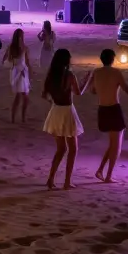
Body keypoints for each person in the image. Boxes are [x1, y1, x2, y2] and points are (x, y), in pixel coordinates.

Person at [89, 49, 128, 183]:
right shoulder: (116, 73)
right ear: (112, 59)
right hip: (113, 110)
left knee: (112, 143)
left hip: (102, 110)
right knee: (116, 145)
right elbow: (127, 90)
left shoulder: (96, 72)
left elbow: (93, 91)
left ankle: (100, 170)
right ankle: (108, 176)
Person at [42, 48, 86, 190]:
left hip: (56, 111)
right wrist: (87, 80)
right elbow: (78, 93)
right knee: (73, 148)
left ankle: (51, 179)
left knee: (61, 149)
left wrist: (54, 102)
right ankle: (67, 181)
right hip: (67, 111)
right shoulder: (69, 75)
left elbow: (45, 95)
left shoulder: (51, 76)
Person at [3, 28, 32, 123]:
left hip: (24, 71)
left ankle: (20, 117)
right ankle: (15, 118)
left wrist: (30, 71)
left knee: (23, 96)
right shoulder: (12, 47)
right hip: (17, 72)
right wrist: (18, 67)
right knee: (20, 96)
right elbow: (6, 60)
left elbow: (27, 61)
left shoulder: (24, 47)